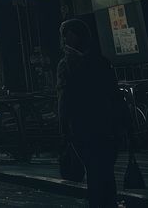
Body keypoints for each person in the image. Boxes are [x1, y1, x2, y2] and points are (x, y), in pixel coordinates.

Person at [56, 18, 124, 208]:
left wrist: (63, 130)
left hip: (84, 128)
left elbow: (65, 99)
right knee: (105, 174)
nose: (63, 40)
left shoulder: (68, 64)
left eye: (66, 35)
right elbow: (115, 94)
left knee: (95, 174)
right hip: (106, 127)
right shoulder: (100, 61)